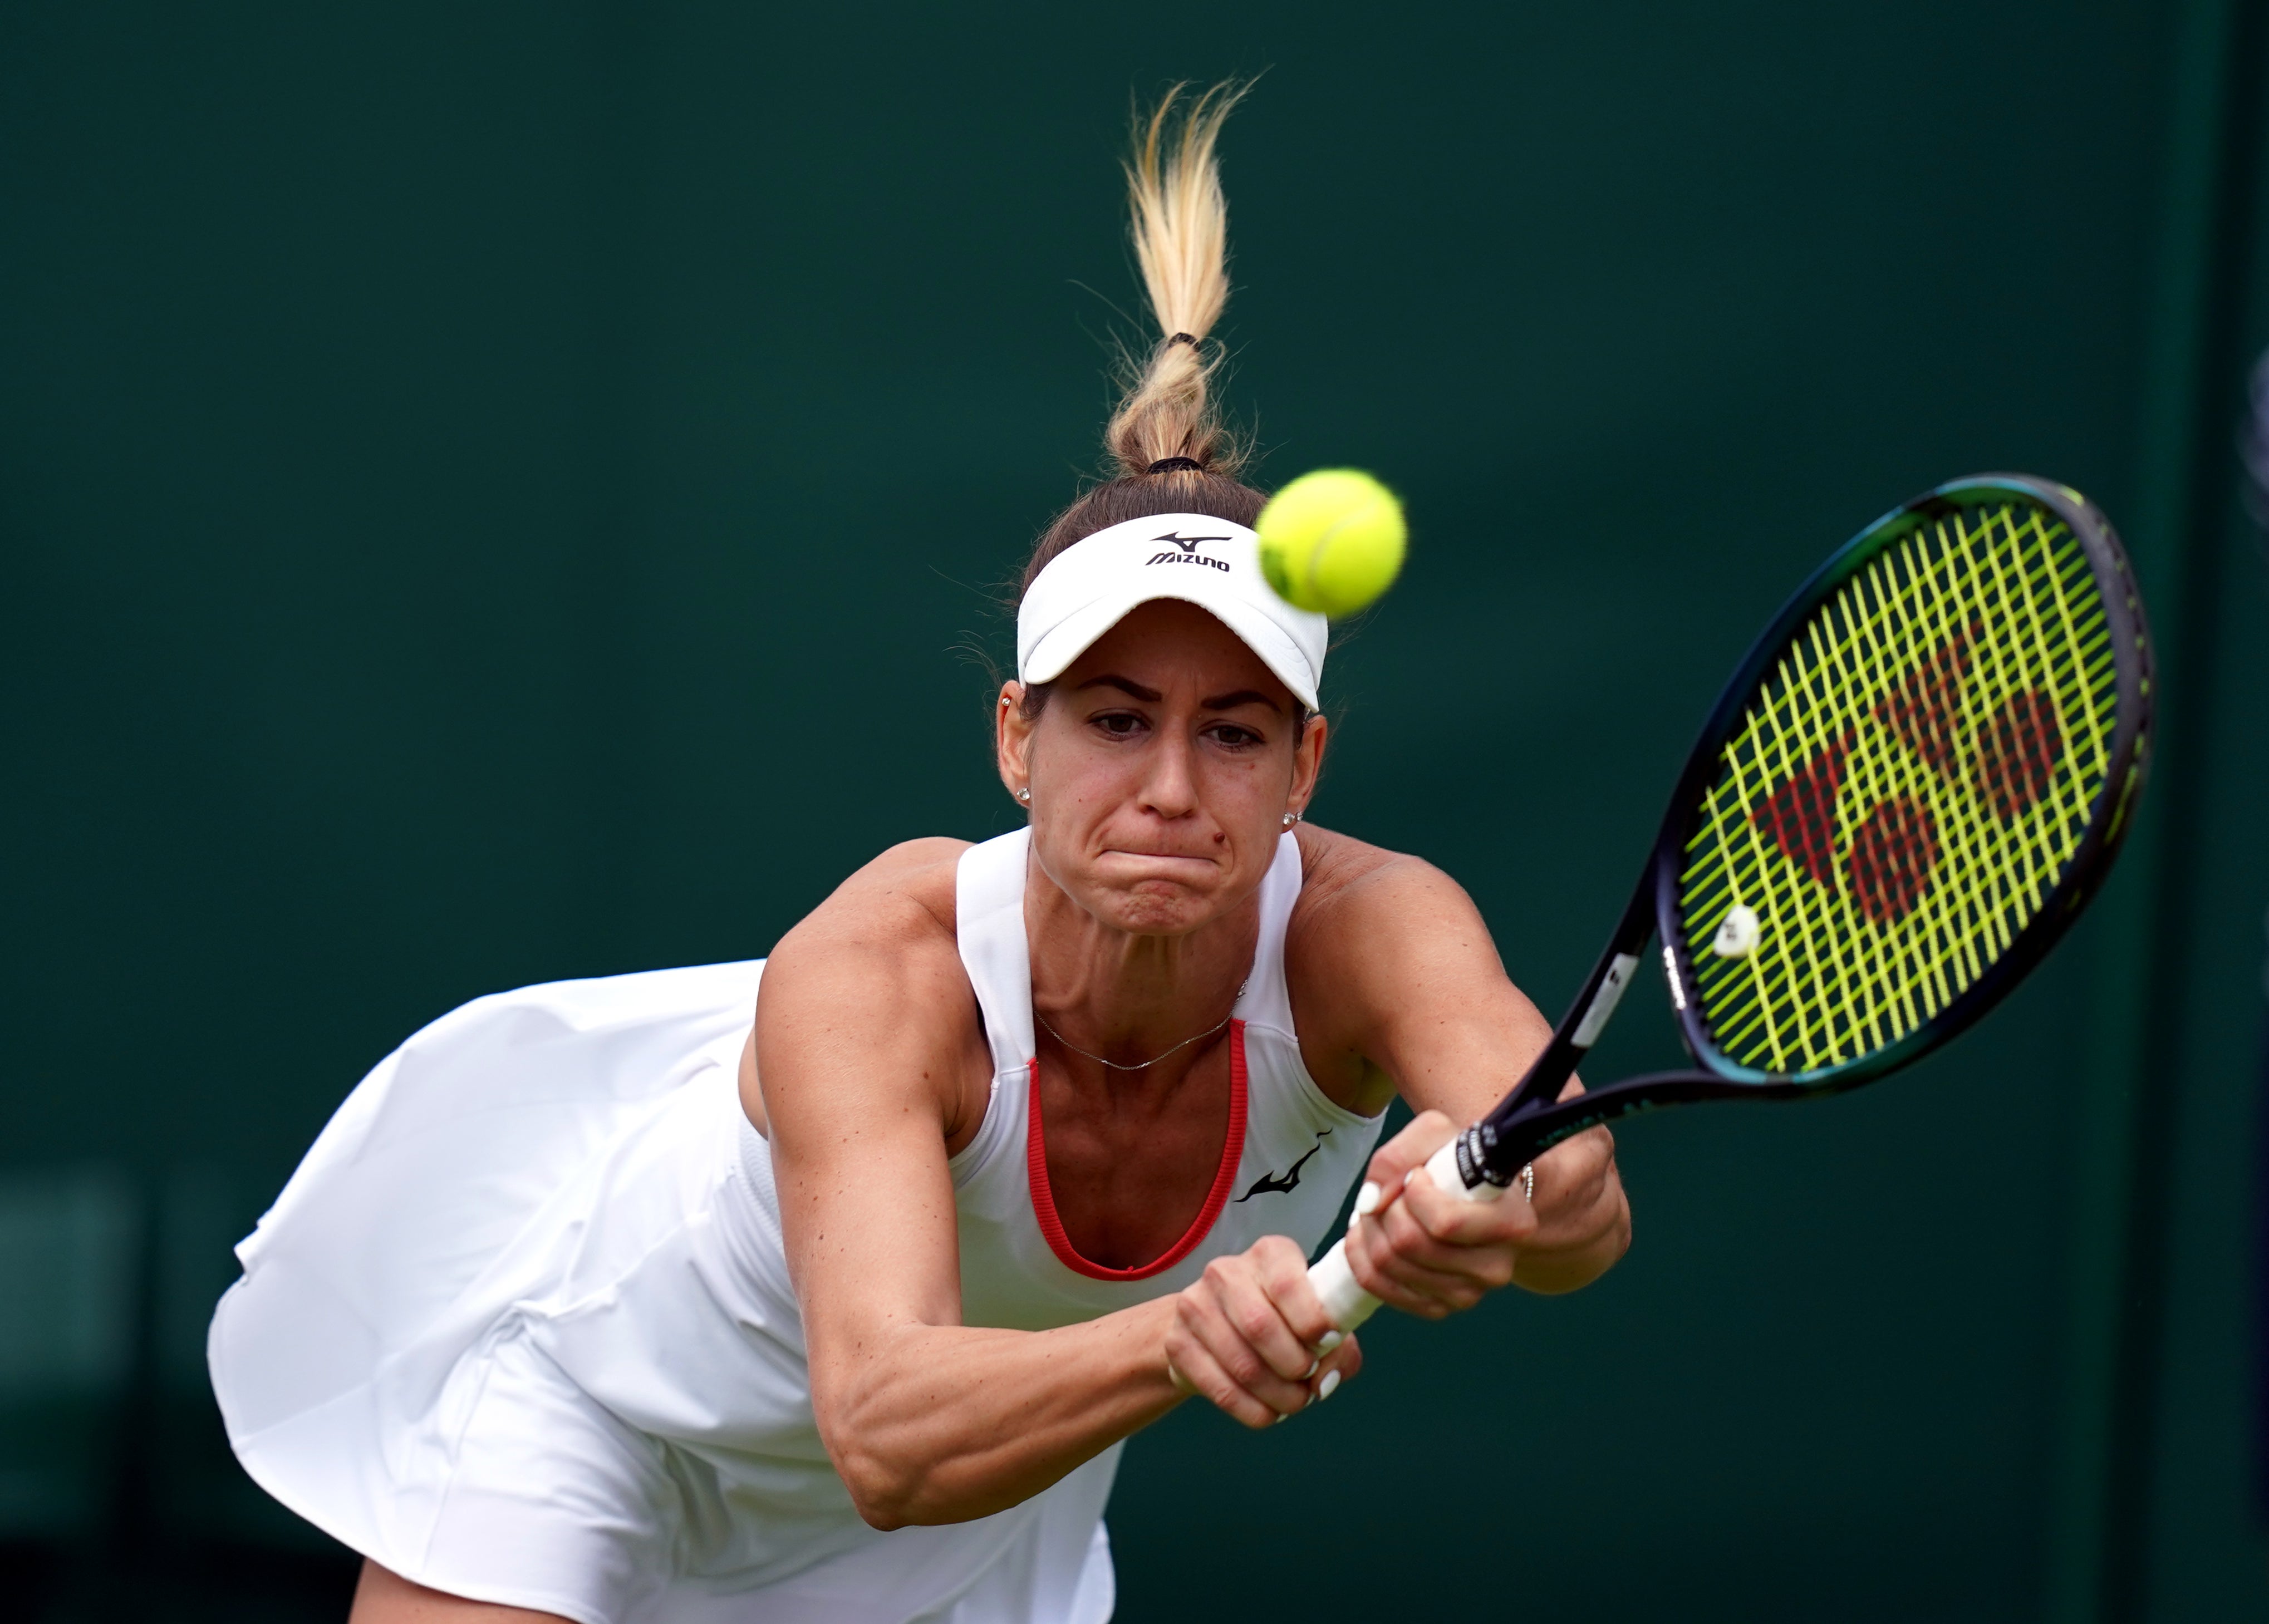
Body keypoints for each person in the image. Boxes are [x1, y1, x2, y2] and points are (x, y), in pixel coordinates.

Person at [208, 85, 1631, 1624]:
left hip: (983, 1506)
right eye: (1111, 718)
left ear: (1307, 766)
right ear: (1016, 739)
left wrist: (1486, 1195)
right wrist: (1183, 1334)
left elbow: (1576, 1197)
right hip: (606, 1423)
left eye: (1231, 731)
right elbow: (882, 1424)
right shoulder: (884, 969)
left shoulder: (1373, 926)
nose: (1167, 785)